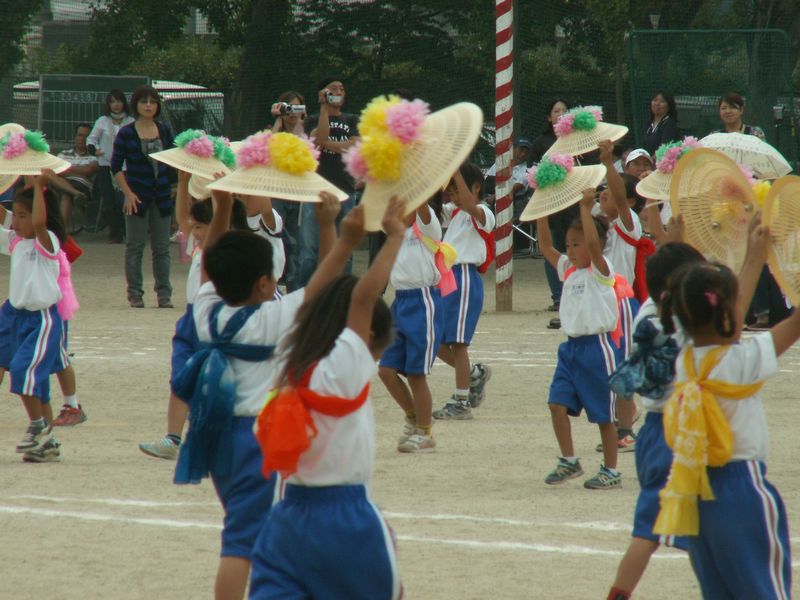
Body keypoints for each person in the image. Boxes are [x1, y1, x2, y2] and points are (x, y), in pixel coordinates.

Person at [172, 186, 351, 600]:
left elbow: (210, 262)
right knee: (240, 543)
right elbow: (327, 281)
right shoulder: (273, 317)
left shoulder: (206, 308)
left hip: (213, 434)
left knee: (246, 527)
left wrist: (221, 209)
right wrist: (330, 226)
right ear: (265, 282)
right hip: (255, 440)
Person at [249, 197, 406, 600]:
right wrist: (394, 238)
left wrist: (340, 237)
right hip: (347, 519)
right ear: (368, 337)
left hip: (285, 521)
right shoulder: (344, 369)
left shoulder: (287, 357)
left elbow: (318, 296)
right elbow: (362, 298)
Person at [654, 224, 799, 600]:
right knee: (764, 590)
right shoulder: (740, 360)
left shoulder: (684, 360)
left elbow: (726, 325)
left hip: (698, 493)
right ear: (727, 315)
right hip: (743, 490)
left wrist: (754, 258)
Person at [606, 241, 705, 600]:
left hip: (654, 432)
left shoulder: (648, 311)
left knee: (655, 531)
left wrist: (674, 234)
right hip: (676, 435)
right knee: (696, 531)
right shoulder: (681, 324)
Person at [536, 189, 624, 489]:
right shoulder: (569, 271)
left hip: (598, 350)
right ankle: (569, 460)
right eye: (569, 245)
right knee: (556, 405)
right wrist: (541, 209)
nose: (571, 250)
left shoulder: (602, 270)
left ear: (596, 245)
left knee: (604, 417)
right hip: (571, 350)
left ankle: (611, 470)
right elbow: (545, 245)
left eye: (577, 244)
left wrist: (586, 209)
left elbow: (593, 247)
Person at [0, 173, 67, 461]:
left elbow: (39, 222)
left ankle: (38, 425)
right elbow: (4, 216)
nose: (16, 220)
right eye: (16, 215)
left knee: (23, 370)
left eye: (23, 215)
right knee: (34, 383)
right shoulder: (15, 241)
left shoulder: (47, 240)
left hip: (41, 320)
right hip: (14, 316)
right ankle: (48, 442)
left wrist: (38, 185)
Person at [379, 200, 445, 453]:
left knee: (416, 373)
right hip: (400, 302)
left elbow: (424, 210)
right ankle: (412, 416)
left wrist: (418, 190)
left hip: (423, 301)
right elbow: (384, 216)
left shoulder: (427, 228)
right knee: (386, 370)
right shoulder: (395, 233)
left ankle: (425, 431)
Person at [433, 164, 494, 420]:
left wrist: (455, 166)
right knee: (435, 340)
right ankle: (473, 375)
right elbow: (428, 208)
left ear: (476, 188)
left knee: (458, 343)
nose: (453, 196)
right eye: (451, 191)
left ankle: (461, 401)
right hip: (447, 279)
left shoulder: (483, 213)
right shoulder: (456, 214)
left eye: (457, 190)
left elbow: (471, 206)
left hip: (464, 277)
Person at [111, 85, 175, 308]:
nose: (149, 105)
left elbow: (174, 159)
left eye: (153, 101)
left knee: (162, 248)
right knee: (135, 246)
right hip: (136, 196)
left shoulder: (165, 130)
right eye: (144, 101)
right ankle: (135, 293)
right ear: (136, 105)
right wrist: (127, 194)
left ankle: (164, 294)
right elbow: (115, 167)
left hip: (162, 196)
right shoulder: (126, 132)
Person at [297, 76, 360, 288]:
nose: (339, 91)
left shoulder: (352, 119)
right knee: (310, 251)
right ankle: (306, 293)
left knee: (345, 250)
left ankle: (340, 293)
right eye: (333, 88)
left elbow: (354, 145)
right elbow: (316, 139)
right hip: (315, 192)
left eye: (342, 88)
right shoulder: (312, 120)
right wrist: (324, 109)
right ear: (322, 93)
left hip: (345, 190)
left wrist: (327, 143)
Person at [531, 100, 571, 315]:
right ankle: (557, 296)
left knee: (571, 248)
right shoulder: (541, 142)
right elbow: (531, 172)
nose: (561, 114)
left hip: (573, 204)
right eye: (556, 111)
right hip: (551, 205)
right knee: (551, 248)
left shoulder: (578, 141)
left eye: (564, 111)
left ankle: (572, 292)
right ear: (549, 117)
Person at [269, 90, 306, 290]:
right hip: (276, 191)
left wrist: (301, 121)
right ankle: (272, 285)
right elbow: (266, 148)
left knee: (296, 244)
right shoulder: (274, 130)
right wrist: (277, 120)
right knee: (276, 237)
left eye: (297, 108)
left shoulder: (306, 131)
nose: (293, 113)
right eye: (289, 108)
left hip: (298, 194)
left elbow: (305, 148)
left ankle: (293, 288)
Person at [87, 89, 134, 243]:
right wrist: (95, 150)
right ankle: (115, 233)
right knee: (109, 200)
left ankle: (128, 231)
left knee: (123, 198)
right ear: (108, 104)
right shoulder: (102, 121)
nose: (116, 105)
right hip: (106, 164)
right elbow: (91, 140)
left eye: (119, 101)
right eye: (113, 101)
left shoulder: (131, 122)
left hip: (125, 166)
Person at [56, 123, 99, 234]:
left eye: (86, 136)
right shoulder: (63, 153)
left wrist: (66, 168)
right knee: (47, 175)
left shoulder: (94, 156)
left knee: (66, 195)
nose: (82, 139)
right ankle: (74, 192)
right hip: (60, 185)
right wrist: (79, 169)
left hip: (82, 186)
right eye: (80, 135)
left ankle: (60, 232)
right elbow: (56, 169)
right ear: (75, 137)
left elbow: (88, 171)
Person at [641, 91, 679, 155]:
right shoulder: (648, 124)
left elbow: (664, 149)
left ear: (669, 106)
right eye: (655, 100)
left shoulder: (669, 124)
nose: (657, 103)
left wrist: (650, 161)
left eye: (662, 101)